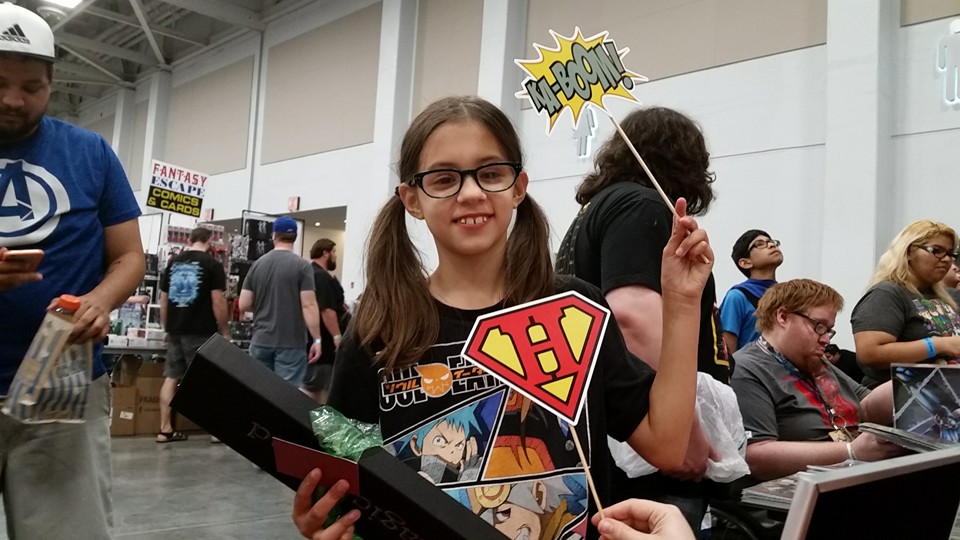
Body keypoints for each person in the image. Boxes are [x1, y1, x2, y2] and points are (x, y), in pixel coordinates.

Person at [293, 96, 715, 540]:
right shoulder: (381, 327)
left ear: (518, 187)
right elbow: (342, 477)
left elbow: (666, 445)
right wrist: (326, 520)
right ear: (412, 199)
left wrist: (682, 302)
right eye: (444, 178)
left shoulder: (574, 307)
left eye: (491, 173)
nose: (471, 193)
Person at [0, 4, 144, 537]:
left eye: (31, 87)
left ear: (53, 80)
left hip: (62, 388)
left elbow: (129, 256)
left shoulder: (90, 153)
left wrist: (100, 301)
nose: (14, 100)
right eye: (0, 84)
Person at [555, 106, 729, 530]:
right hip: (649, 446)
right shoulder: (639, 205)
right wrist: (682, 429)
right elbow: (631, 318)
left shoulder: (595, 212)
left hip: (619, 431)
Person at [731, 279, 902, 482]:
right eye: (819, 326)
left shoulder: (814, 361)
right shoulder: (746, 368)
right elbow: (756, 456)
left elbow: (865, 406)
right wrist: (850, 451)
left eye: (828, 330)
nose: (826, 339)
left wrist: (911, 382)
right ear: (783, 317)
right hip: (797, 491)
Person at [851, 220, 960, 387]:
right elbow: (870, 353)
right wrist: (938, 345)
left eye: (950, 253)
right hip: (900, 396)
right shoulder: (887, 293)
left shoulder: (946, 297)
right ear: (908, 252)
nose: (947, 260)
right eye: (936, 251)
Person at [156, 226, 230, 442]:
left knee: (171, 377)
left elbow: (163, 300)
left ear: (189, 240)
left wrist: (167, 328)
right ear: (210, 241)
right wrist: (225, 331)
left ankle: (165, 429)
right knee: (207, 379)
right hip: (201, 330)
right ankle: (215, 430)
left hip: (175, 330)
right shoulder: (212, 265)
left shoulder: (173, 264)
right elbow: (218, 301)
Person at [239, 215, 321, 386]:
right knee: (285, 396)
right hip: (292, 343)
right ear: (295, 237)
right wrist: (317, 339)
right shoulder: (302, 266)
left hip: (261, 340)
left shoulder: (257, 265)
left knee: (259, 391)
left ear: (274, 236)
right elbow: (309, 305)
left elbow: (243, 304)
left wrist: (265, 306)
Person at [719, 229, 783, 353]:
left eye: (771, 242)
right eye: (760, 244)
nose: (771, 245)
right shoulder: (737, 297)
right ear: (745, 262)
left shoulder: (786, 297)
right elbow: (728, 351)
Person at [301, 237, 347, 402]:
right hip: (324, 345)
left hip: (309, 341)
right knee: (316, 390)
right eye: (334, 251)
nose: (336, 255)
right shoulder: (322, 277)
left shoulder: (308, 274)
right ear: (325, 253)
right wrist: (337, 337)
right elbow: (327, 310)